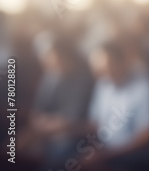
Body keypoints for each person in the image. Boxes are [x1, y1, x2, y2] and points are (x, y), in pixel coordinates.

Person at [17, 36, 94, 169]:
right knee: (15, 148)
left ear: (64, 55)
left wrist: (41, 129)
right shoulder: (50, 75)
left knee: (59, 150)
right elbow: (37, 112)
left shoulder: (84, 79)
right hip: (45, 130)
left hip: (73, 134)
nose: (44, 60)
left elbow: (70, 121)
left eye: (49, 55)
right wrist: (38, 129)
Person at [83, 40, 149, 170]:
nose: (100, 73)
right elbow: (95, 124)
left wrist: (106, 155)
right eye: (97, 69)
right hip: (108, 155)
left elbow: (148, 136)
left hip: (135, 159)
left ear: (121, 62)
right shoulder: (102, 85)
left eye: (106, 67)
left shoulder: (145, 88)